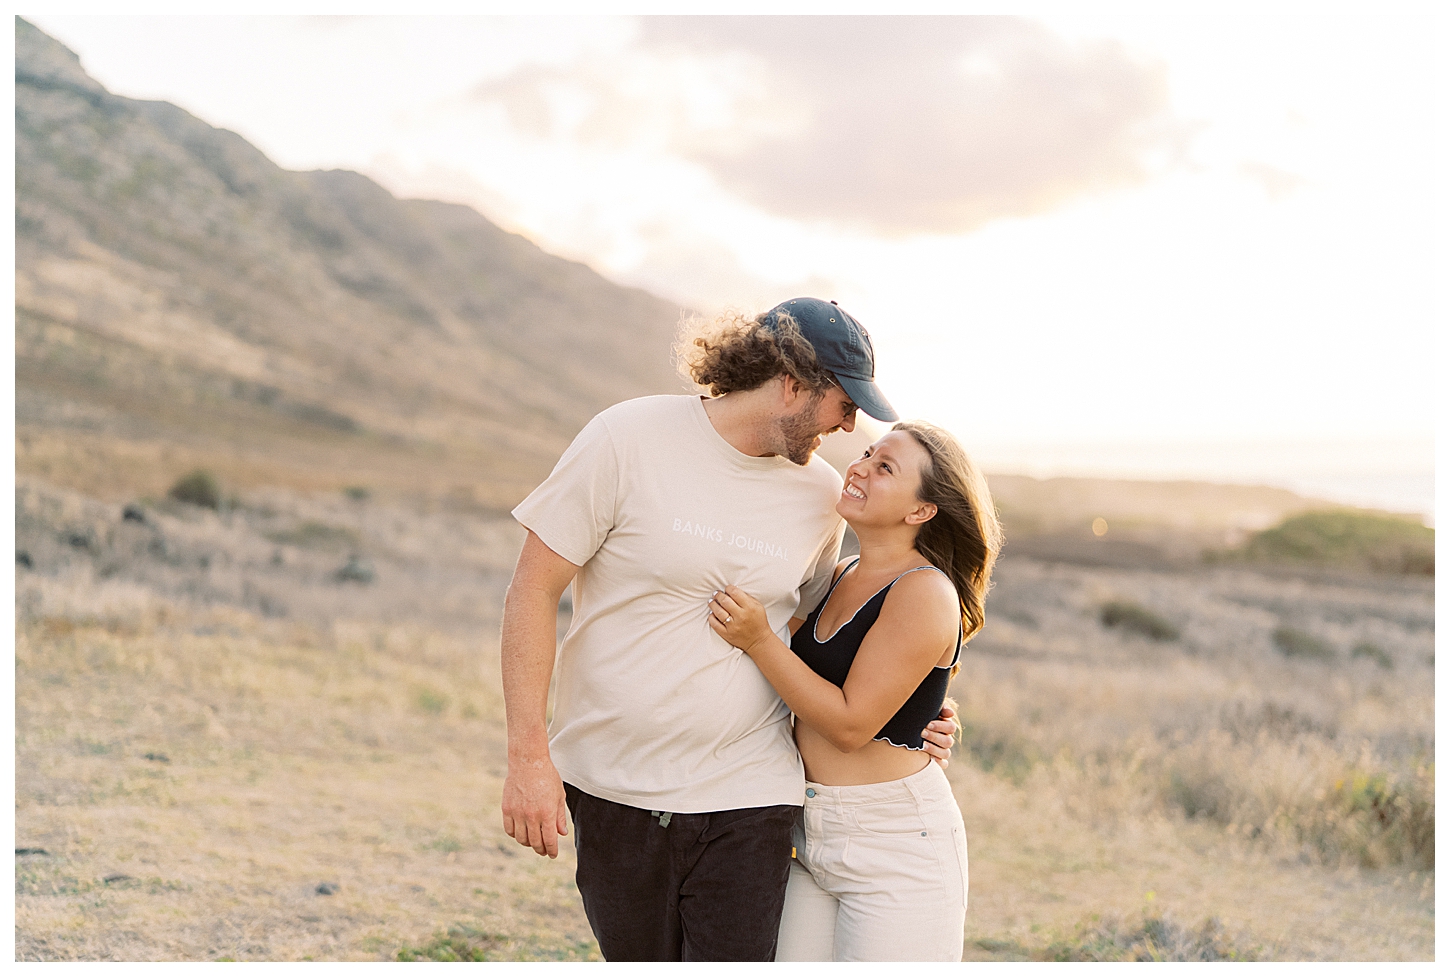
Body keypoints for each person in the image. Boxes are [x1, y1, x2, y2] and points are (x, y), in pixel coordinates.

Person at [499, 298, 960, 962]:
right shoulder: (625, 438)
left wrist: (916, 710)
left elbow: (816, 633)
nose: (850, 425)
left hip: (752, 796)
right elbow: (531, 591)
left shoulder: (819, 499)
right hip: (612, 788)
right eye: (844, 402)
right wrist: (528, 757)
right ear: (793, 384)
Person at [708, 419, 1001, 961]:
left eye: (884, 467)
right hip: (808, 831)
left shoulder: (924, 592)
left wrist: (757, 639)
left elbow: (848, 725)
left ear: (921, 511)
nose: (860, 466)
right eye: (867, 452)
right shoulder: (839, 573)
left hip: (896, 846)